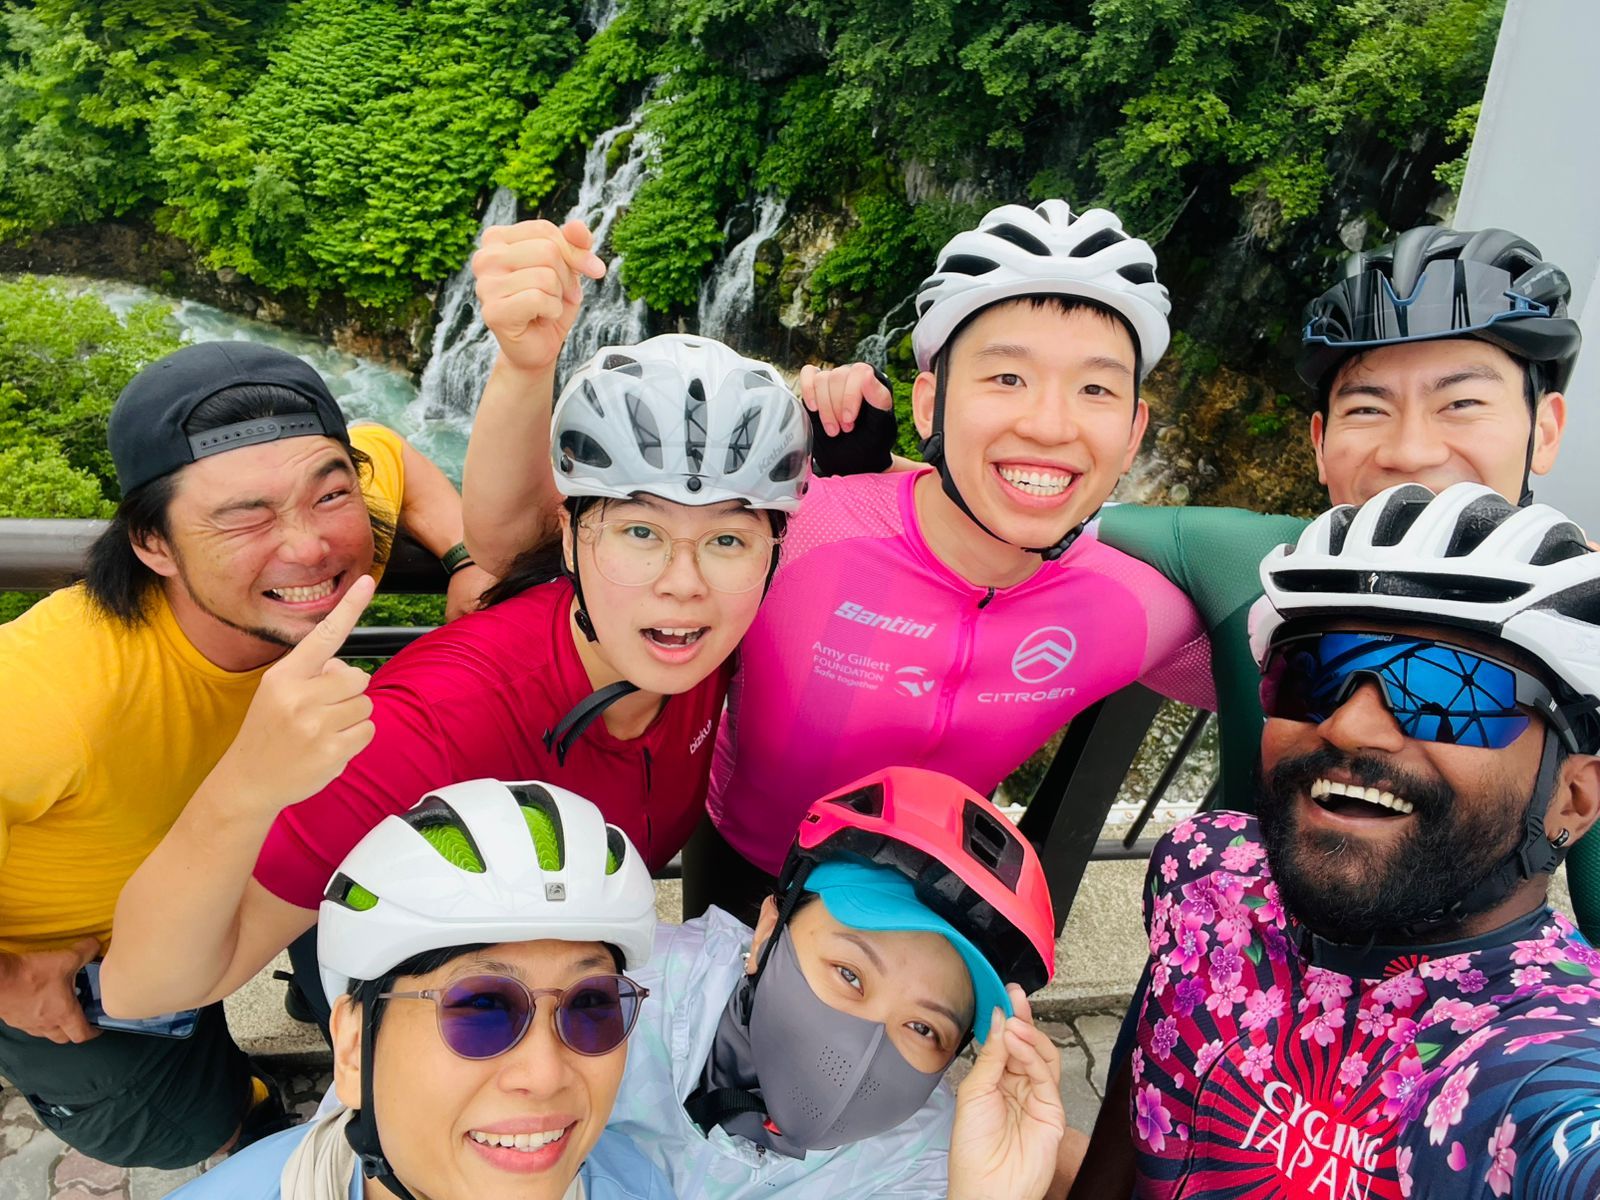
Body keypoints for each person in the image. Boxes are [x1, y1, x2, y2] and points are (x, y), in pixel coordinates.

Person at [808, 222, 1599, 938]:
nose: (1410, 451)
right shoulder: (1243, 562)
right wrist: (860, 463)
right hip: (1208, 984)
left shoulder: (1579, 642)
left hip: (1454, 1035)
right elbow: (1037, 504)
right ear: (1319, 442)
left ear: (1546, 429)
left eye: (1462, 403)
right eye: (1368, 409)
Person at [459, 204, 1217, 923]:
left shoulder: (1137, 603)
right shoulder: (809, 523)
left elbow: (1285, 689)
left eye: (1094, 388)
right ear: (928, 405)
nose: (1049, 425)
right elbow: (522, 547)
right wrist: (525, 367)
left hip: (926, 913)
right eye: (1006, 377)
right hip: (740, 871)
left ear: (1134, 431)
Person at [100, 333, 810, 1025]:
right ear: (568, 536)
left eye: (728, 539)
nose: (684, 585)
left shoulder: (718, 642)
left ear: (772, 553)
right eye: (640, 533)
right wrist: (243, 786)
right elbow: (143, 989)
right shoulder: (433, 723)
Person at [0, 340, 482, 1170]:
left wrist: (466, 560)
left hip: (257, 871)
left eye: (331, 494)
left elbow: (395, 457)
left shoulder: (320, 521)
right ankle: (244, 1123)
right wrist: (8, 977)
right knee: (182, 1125)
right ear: (153, 544)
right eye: (243, 517)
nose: (310, 547)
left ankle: (313, 994)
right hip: (84, 959)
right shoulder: (47, 695)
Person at [1069, 482, 1600, 1198]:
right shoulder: (1206, 869)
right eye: (1311, 677)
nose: (1347, 727)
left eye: (1450, 694)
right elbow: (1142, 1096)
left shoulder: (1545, 1071)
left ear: (1573, 798)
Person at [167, 777, 675, 1200]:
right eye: (482, 1008)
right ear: (353, 1047)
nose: (545, 1076)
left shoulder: (641, 1184)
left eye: (590, 1004)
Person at [609, 764, 1069, 1199]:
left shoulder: (931, 1159)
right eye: (850, 974)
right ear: (768, 932)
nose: (860, 1054)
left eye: (924, 1028)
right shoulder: (628, 996)